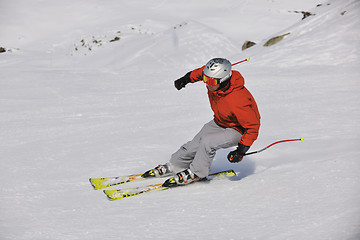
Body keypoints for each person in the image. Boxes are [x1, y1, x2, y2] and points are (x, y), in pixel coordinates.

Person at [143, 58, 261, 185]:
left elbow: (253, 126)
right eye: (206, 79)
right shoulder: (214, 83)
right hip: (220, 121)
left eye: (211, 81)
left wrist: (241, 150)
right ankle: (175, 165)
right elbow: (200, 73)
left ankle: (198, 173)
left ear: (224, 80)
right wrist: (186, 79)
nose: (207, 83)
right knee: (196, 142)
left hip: (238, 130)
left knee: (208, 142)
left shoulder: (238, 99)